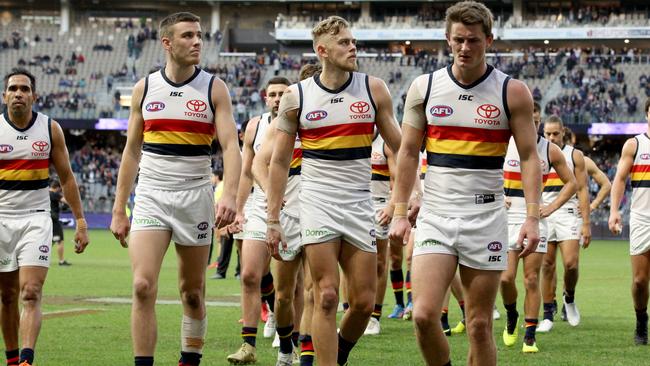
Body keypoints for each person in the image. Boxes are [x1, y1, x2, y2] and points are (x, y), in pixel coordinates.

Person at [388, 2, 542, 365]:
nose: (465, 48)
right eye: (458, 40)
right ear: (447, 39)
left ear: (489, 40)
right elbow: (408, 152)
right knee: (425, 316)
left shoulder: (512, 92)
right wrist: (399, 211)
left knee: (478, 325)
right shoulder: (424, 88)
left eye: (473, 40)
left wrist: (533, 218)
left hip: (486, 217)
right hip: (437, 215)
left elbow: (531, 156)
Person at [265, 16, 402, 366]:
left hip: (359, 203)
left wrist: (404, 198)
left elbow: (400, 148)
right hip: (316, 202)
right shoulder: (296, 96)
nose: (352, 46)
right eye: (344, 42)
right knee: (325, 294)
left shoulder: (374, 89)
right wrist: (273, 218)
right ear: (322, 51)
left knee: (362, 303)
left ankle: (337, 353)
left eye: (353, 41)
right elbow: (279, 163)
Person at [109, 12, 240, 366]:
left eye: (199, 35)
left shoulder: (214, 88)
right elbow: (132, 150)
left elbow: (230, 145)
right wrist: (120, 207)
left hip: (195, 194)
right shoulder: (145, 88)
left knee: (192, 292)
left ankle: (189, 360)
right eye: (187, 36)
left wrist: (229, 195)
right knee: (141, 286)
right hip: (151, 193)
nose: (197, 41)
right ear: (167, 43)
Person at [0, 69, 89, 366]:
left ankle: (26, 360)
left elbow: (67, 178)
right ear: (4, 96)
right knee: (8, 295)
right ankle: (12, 359)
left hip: (37, 218)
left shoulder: (50, 129)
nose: (18, 93)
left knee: (31, 291)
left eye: (24, 89)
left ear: (33, 96)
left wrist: (80, 221)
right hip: (1, 219)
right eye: (13, 88)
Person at [251, 65, 320, 366]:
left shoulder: (333, 122)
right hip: (289, 212)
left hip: (322, 212)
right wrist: (272, 196)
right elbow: (258, 164)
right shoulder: (283, 123)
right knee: (284, 294)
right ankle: (285, 348)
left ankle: (308, 354)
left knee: (320, 289)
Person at [500, 102, 576, 353]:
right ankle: (511, 315)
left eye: (535, 121)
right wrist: (499, 194)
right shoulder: (503, 143)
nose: (531, 125)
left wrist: (551, 207)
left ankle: (530, 337)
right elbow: (484, 172)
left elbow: (571, 184)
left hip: (534, 219)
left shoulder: (550, 151)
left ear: (539, 122)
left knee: (531, 278)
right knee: (505, 278)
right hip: (506, 218)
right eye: (527, 120)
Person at [226, 76, 291, 364]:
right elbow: (246, 171)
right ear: (266, 98)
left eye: (282, 94)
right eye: (273, 94)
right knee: (251, 273)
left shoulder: (299, 122)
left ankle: (288, 335)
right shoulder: (255, 126)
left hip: (293, 206)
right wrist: (239, 210)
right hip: (259, 205)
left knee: (289, 283)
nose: (277, 98)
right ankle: (248, 345)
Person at [539, 115, 591, 331]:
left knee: (571, 263)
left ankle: (569, 297)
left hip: (568, 212)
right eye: (547, 133)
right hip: (544, 211)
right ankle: (548, 314)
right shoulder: (535, 152)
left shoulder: (575, 155)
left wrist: (586, 223)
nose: (551, 137)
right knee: (547, 265)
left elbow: (582, 189)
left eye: (555, 133)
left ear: (563, 133)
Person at [609, 98, 650, 345]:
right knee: (639, 280)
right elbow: (620, 179)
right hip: (642, 217)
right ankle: (641, 321)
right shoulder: (634, 145)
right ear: (647, 114)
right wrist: (614, 210)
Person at [49, 180, 71, 266]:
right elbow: (67, 201)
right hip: (54, 220)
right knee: (59, 240)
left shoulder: (45, 194)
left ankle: (40, 259)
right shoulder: (54, 194)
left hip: (46, 219)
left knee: (50, 241)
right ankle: (61, 261)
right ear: (57, 187)